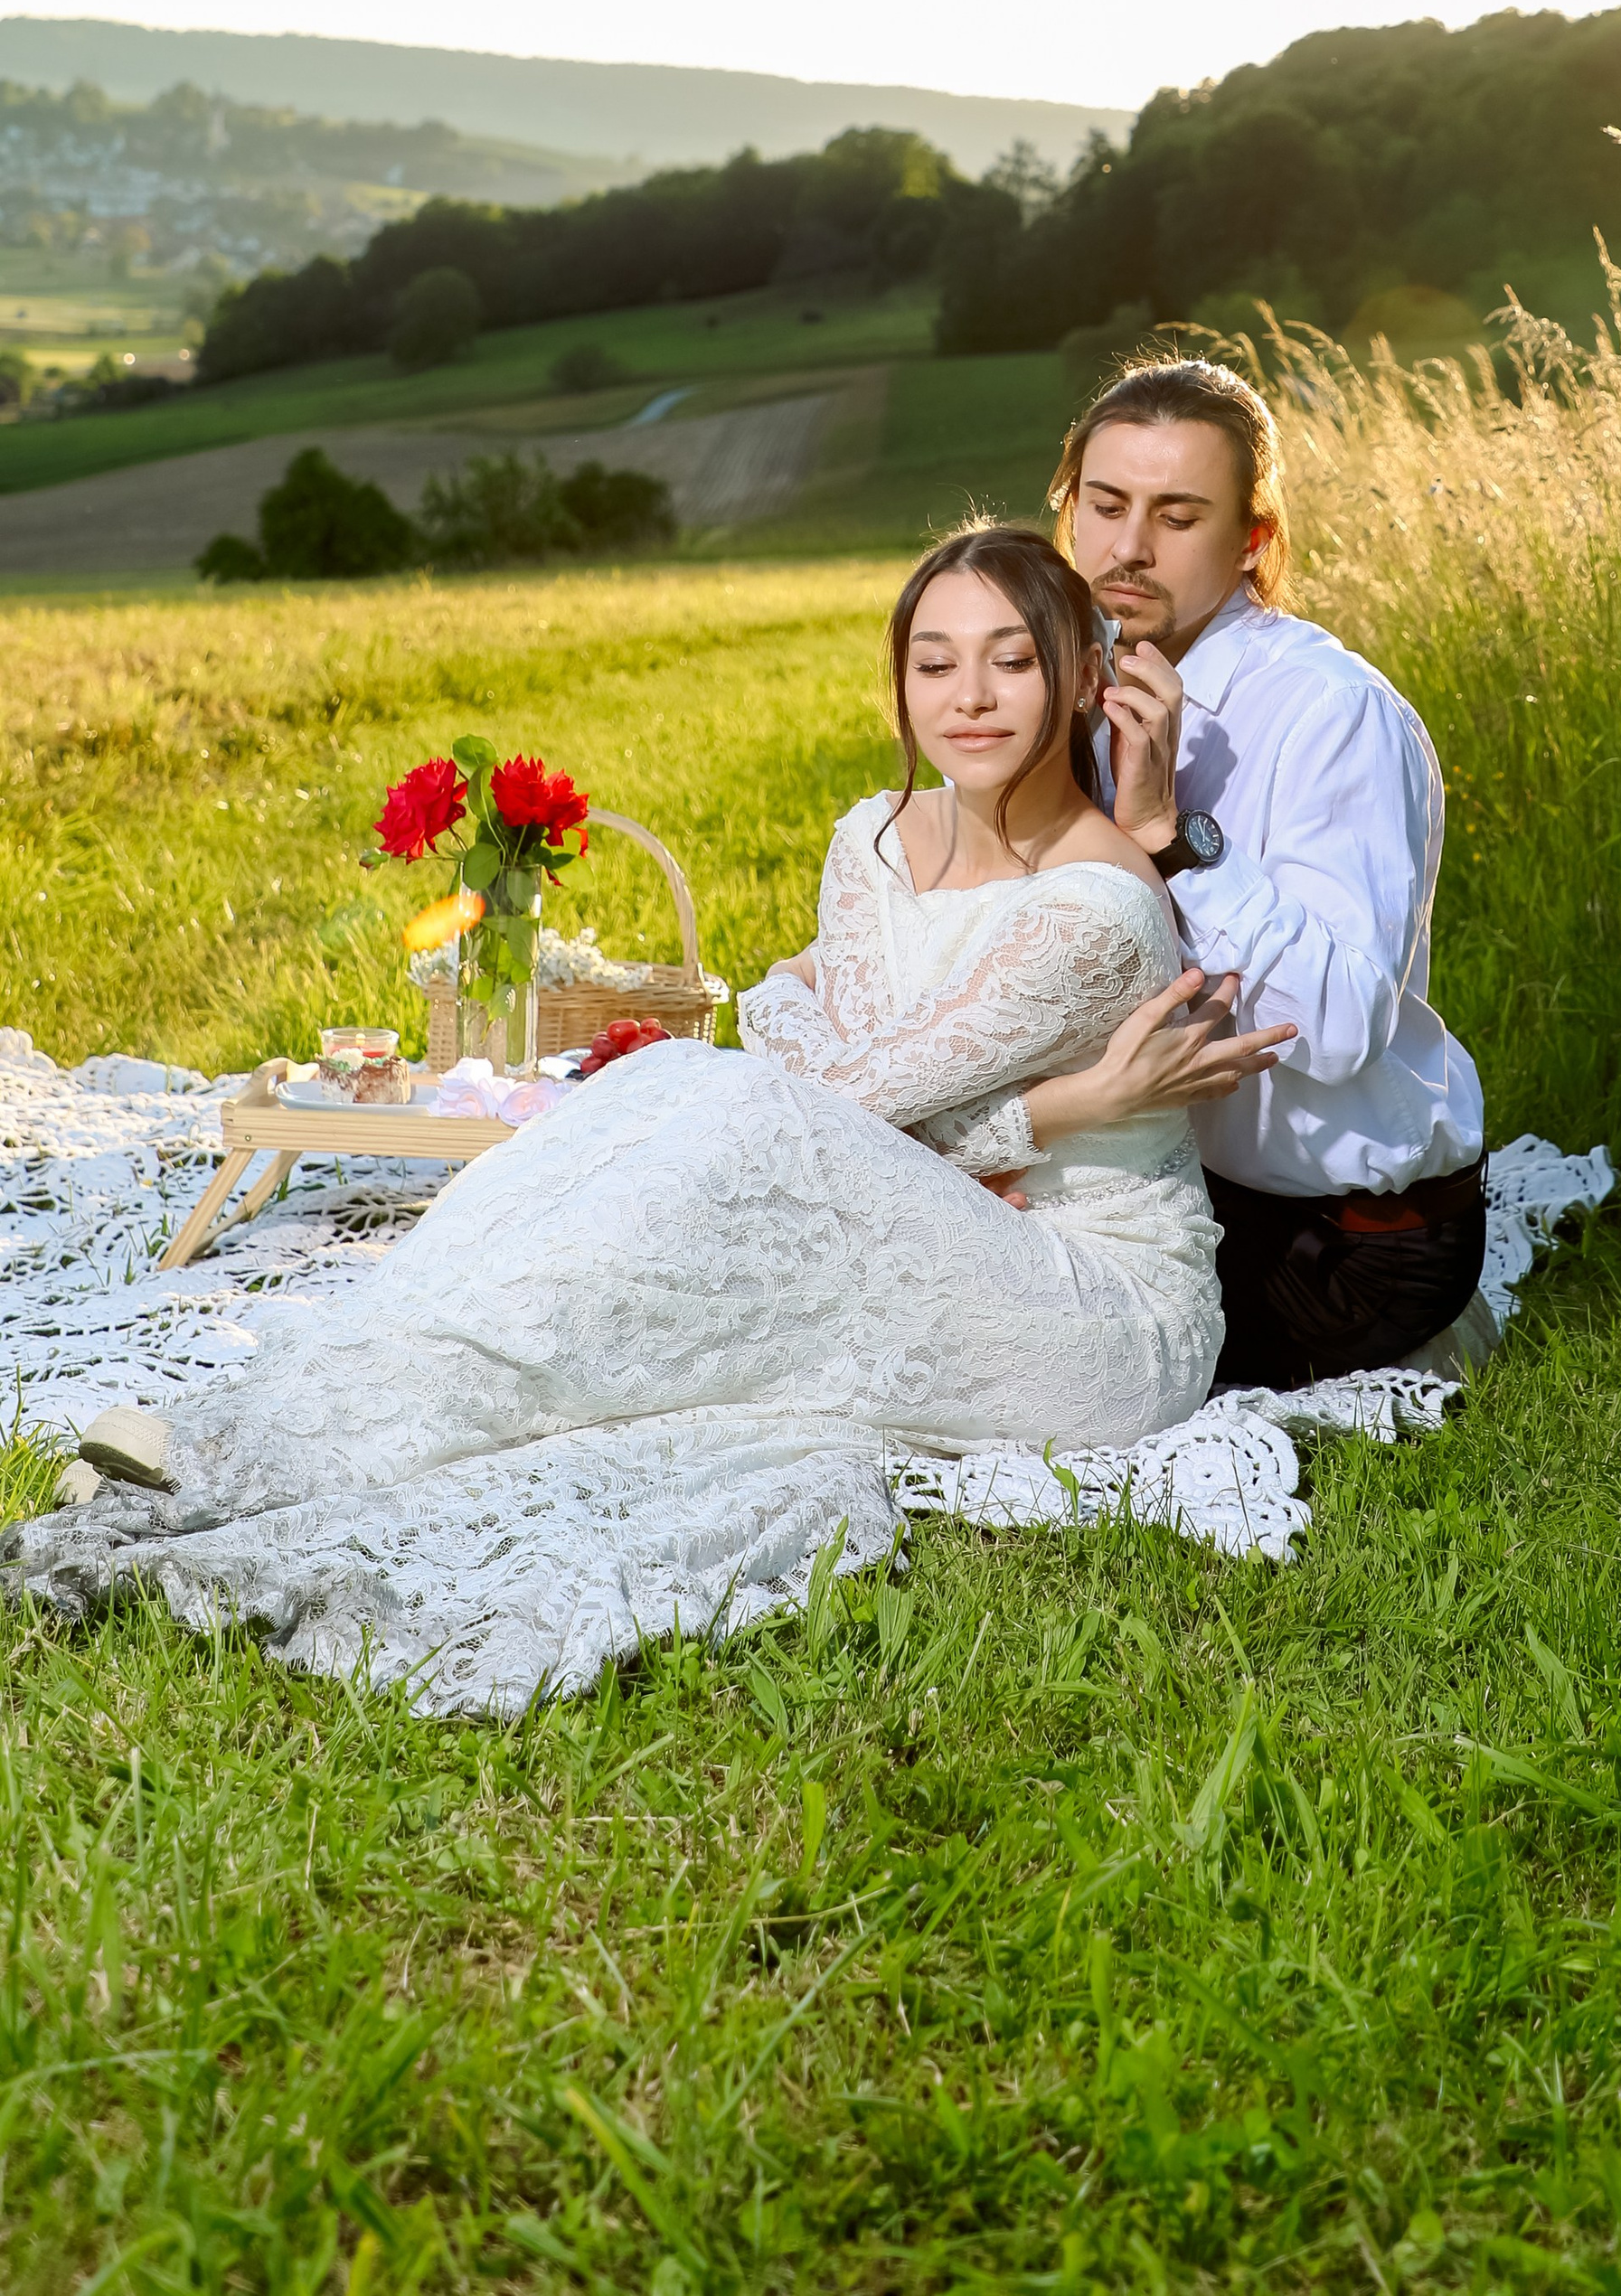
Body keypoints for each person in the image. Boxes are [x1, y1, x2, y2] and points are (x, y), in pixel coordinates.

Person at [4, 527, 1277, 1717]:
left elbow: (846, 1095)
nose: (972, 695)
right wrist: (1059, 1097)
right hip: (929, 1200)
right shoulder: (874, 840)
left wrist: (975, 1090)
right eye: (934, 661)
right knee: (668, 1104)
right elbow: (794, 1034)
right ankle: (297, 1418)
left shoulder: (1099, 906)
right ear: (897, 686)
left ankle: (259, 1453)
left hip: (1087, 1302)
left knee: (727, 1120)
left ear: (1077, 682)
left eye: (1015, 660)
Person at [1027, 353, 1490, 1389]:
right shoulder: (1084, 684)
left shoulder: (1334, 714)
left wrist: (1171, 831)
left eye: (1178, 517)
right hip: (1171, 1187)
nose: (1128, 549)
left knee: (996, 1346)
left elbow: (1332, 1026)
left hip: (1341, 1244)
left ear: (1251, 540)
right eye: (1104, 506)